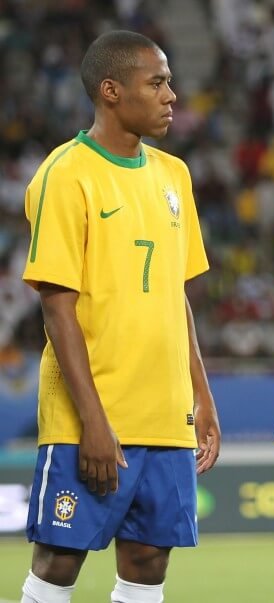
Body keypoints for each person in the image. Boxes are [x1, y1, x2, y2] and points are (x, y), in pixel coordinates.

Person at [18, 30, 221, 603]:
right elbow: (57, 309)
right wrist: (94, 422)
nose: (171, 95)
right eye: (156, 82)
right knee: (58, 563)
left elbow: (175, 297)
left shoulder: (174, 176)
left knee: (148, 562)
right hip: (93, 414)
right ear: (111, 91)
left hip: (165, 413)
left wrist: (200, 396)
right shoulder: (66, 174)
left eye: (169, 82)